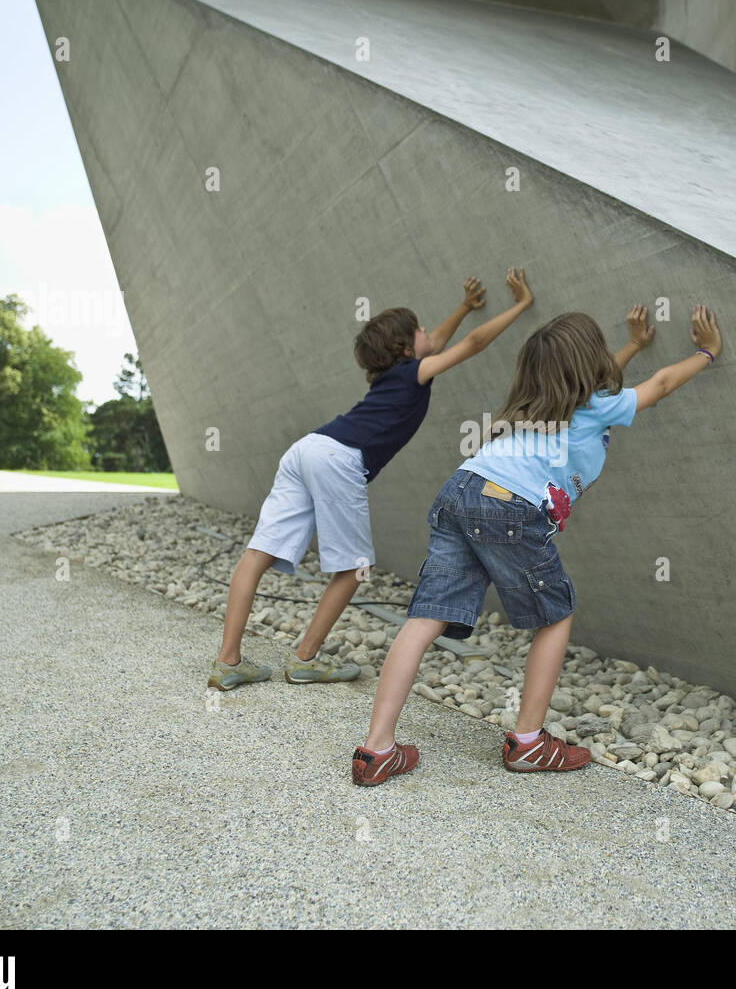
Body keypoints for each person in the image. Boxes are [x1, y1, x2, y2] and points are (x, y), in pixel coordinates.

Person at [353, 303, 722, 785]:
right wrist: (707, 353)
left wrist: (632, 345)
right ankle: (527, 742)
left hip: (461, 489)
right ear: (589, 365)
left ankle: (376, 748)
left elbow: (588, 384)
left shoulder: (528, 409)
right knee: (556, 613)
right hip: (511, 507)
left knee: (425, 617)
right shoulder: (592, 408)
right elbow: (661, 384)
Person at [209, 269, 535, 691]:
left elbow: (432, 341)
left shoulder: (394, 374)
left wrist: (464, 308)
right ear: (404, 348)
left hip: (307, 448)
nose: (427, 332)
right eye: (418, 328)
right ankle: (305, 658)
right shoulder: (413, 374)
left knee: (258, 553)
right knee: (355, 568)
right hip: (339, 459)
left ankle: (228, 661)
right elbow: (469, 344)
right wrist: (521, 305)